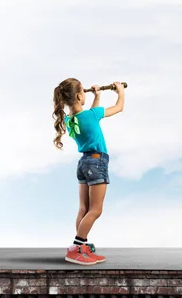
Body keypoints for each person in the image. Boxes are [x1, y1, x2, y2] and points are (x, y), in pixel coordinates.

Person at [52, 78, 125, 265]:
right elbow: (118, 107)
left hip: (84, 164)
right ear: (78, 95)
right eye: (83, 93)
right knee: (96, 210)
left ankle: (82, 247)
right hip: (97, 162)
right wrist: (120, 91)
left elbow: (90, 116)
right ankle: (76, 248)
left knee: (84, 209)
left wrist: (97, 95)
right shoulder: (92, 115)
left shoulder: (70, 120)